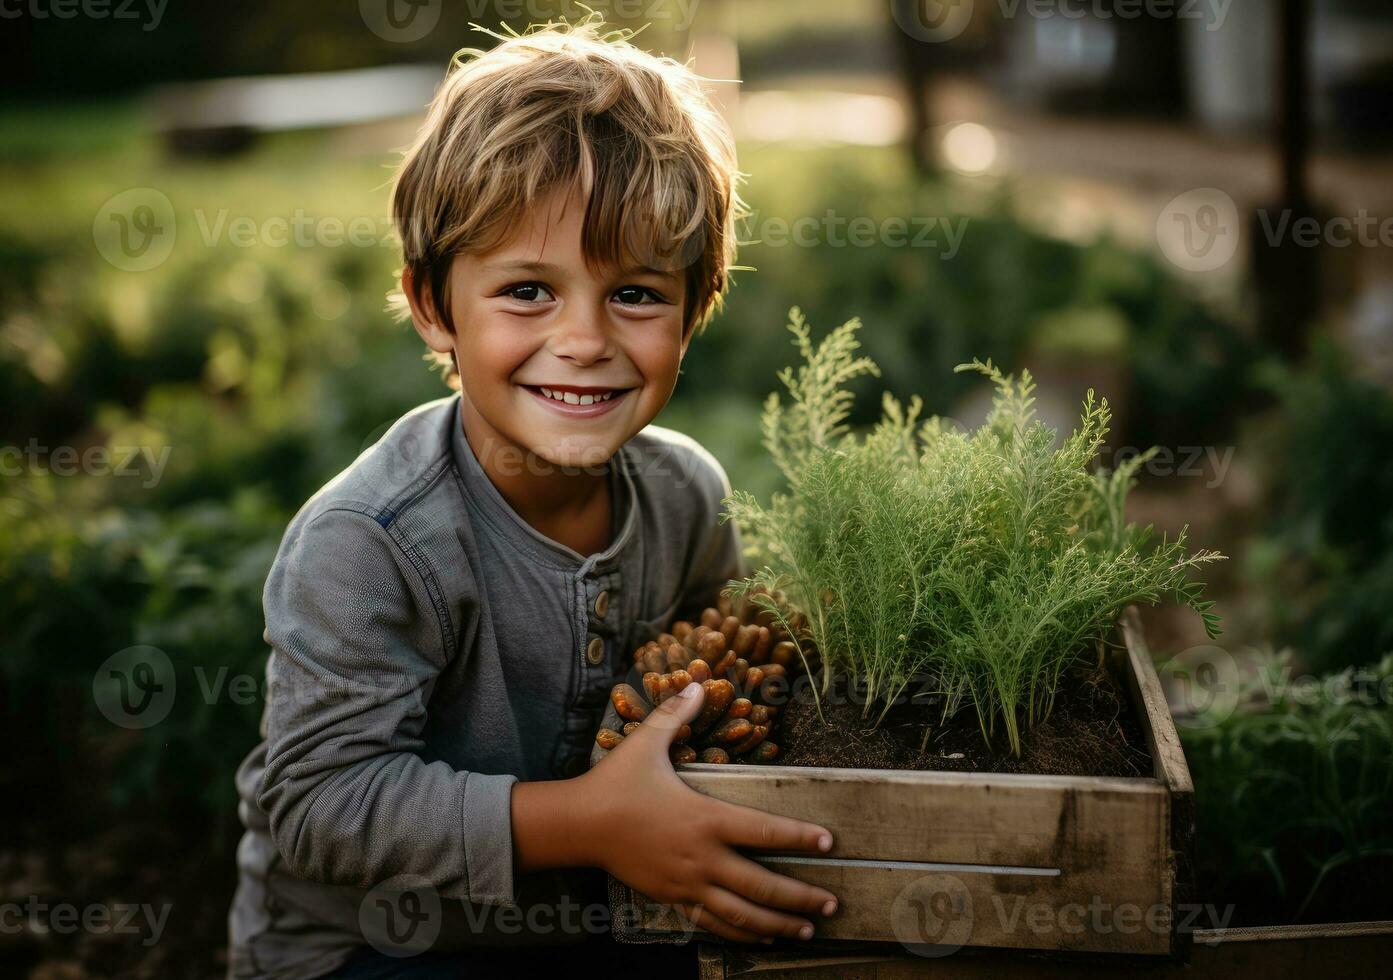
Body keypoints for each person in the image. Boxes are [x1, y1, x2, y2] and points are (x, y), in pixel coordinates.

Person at [227, 19, 838, 979]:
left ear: (696, 307)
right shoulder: (370, 542)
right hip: (377, 945)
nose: (586, 340)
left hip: (599, 910)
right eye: (526, 291)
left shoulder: (685, 497)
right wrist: (590, 823)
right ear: (435, 308)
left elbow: (711, 692)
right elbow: (321, 808)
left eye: (636, 294)